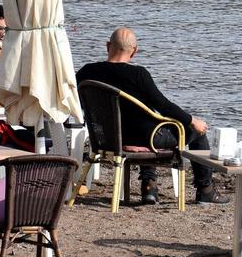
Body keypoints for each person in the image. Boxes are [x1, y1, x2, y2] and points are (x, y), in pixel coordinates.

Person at [76, 27, 227, 205]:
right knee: (195, 132)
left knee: (148, 119)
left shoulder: (87, 72)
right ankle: (205, 190)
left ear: (108, 46)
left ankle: (150, 187)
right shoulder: (138, 74)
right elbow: (163, 105)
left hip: (105, 139)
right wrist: (193, 121)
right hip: (145, 139)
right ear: (135, 51)